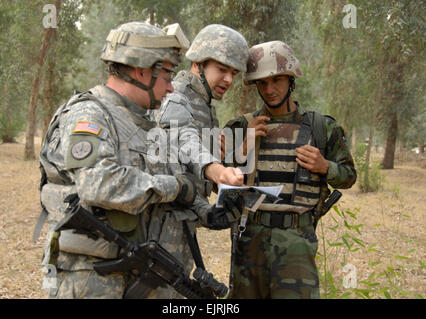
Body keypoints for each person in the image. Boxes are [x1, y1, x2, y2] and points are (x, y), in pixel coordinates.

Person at [38, 21, 242, 299]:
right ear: (142, 69)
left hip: (142, 277)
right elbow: (98, 184)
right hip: (95, 281)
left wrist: (205, 211)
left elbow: (174, 184)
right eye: (167, 76)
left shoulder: (147, 124)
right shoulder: (88, 115)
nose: (172, 89)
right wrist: (177, 187)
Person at [223, 40, 357, 299]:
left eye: (276, 80)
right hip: (249, 241)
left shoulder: (321, 128)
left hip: (297, 245)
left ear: (291, 79)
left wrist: (325, 166)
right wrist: (242, 150)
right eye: (262, 83)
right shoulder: (240, 126)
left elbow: (349, 176)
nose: (269, 89)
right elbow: (218, 182)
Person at [153, 24, 249, 199]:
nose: (228, 80)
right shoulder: (175, 95)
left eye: (233, 73)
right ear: (198, 64)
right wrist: (216, 169)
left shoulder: (202, 102)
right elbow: (181, 145)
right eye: (222, 69)